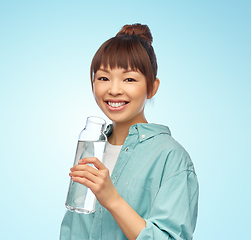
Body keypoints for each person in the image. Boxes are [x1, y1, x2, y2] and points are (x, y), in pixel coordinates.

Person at [60, 23, 198, 240]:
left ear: (152, 87)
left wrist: (112, 199)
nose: (114, 90)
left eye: (129, 79)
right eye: (104, 78)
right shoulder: (91, 146)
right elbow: (73, 229)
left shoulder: (171, 158)